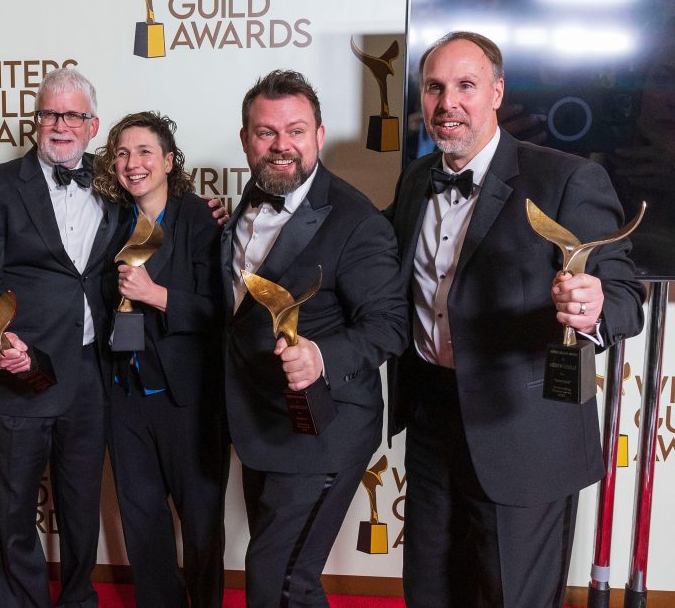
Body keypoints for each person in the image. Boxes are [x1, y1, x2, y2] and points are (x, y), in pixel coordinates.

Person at [384, 31, 645, 607]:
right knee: (429, 590)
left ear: (497, 93)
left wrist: (595, 304)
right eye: (435, 88)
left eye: (466, 86)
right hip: (431, 416)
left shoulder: (566, 179)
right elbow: (369, 251)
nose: (448, 102)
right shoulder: (415, 180)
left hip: (524, 428)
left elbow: (625, 294)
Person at [221, 70, 408, 606]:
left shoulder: (356, 221)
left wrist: (321, 356)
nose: (281, 145)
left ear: (319, 136)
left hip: (325, 427)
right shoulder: (249, 201)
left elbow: (390, 324)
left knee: (277, 580)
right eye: (266, 132)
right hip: (260, 422)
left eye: (296, 131)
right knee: (286, 579)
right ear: (245, 139)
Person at [0, 67, 116, 607]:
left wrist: (204, 213)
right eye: (50, 113)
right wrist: (1, 343)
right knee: (14, 511)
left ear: (93, 125)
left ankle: (78, 600)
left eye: (72, 115)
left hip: (90, 373)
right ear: (36, 120)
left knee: (81, 507)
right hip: (20, 371)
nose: (60, 125)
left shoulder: (114, 183)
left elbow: (159, 218)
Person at [92, 111, 228, 607]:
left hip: (186, 400)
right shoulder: (110, 219)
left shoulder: (201, 218)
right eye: (122, 153)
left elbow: (222, 311)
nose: (133, 163)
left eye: (145, 151)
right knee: (143, 525)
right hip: (125, 396)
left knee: (201, 526)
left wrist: (157, 295)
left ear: (170, 161)